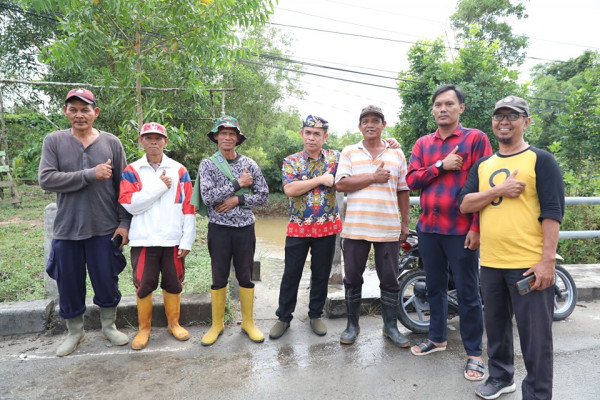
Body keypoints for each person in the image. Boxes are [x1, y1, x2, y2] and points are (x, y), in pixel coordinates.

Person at [459, 96, 564, 400]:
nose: (504, 122)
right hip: (491, 263)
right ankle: (501, 377)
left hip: (528, 265)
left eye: (512, 116)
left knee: (536, 338)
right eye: (499, 116)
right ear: (492, 122)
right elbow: (465, 203)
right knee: (496, 328)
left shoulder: (540, 160)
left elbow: (553, 212)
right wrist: (499, 190)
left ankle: (538, 394)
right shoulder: (483, 165)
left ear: (526, 122)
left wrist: (547, 262)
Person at [406, 84, 492, 381]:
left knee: (468, 292)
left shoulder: (476, 139)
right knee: (434, 287)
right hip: (428, 229)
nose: (443, 109)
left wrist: (477, 227)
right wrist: (440, 166)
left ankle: (474, 353)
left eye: (449, 104)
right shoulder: (423, 144)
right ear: (433, 110)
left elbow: (485, 187)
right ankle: (437, 338)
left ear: (461, 108)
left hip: (460, 231)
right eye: (438, 105)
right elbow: (412, 180)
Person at [39, 88, 131, 357]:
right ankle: (75, 332)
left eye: (85, 109)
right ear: (65, 112)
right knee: (68, 283)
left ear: (96, 112)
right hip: (67, 228)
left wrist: (124, 223)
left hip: (104, 228)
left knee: (107, 280)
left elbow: (124, 186)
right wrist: (90, 174)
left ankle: (109, 326)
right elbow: (46, 179)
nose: (79, 115)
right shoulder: (54, 141)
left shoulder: (111, 143)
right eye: (73, 109)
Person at [334, 105, 411, 347]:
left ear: (383, 125)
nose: (370, 124)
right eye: (365, 121)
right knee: (352, 277)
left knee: (389, 279)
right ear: (359, 126)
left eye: (375, 121)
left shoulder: (397, 154)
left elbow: (403, 189)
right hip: (356, 228)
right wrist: (373, 177)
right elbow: (341, 184)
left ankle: (390, 327)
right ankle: (352, 325)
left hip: (387, 228)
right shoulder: (349, 151)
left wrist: (405, 223)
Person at [118, 122, 196, 350]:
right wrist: (159, 187)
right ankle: (144, 328)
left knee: (174, 282)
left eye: (158, 138)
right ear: (141, 141)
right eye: (148, 138)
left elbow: (188, 208)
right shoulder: (132, 170)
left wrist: (187, 239)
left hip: (172, 239)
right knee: (144, 284)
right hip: (144, 239)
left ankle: (174, 324)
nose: (153, 142)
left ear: (165, 141)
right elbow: (129, 204)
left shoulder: (179, 170)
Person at [193, 116, 269, 346]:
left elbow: (263, 195)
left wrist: (238, 199)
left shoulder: (250, 165)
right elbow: (208, 197)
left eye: (232, 134)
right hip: (219, 229)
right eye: (223, 133)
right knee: (219, 276)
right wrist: (238, 183)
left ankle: (248, 323)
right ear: (216, 137)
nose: (227, 137)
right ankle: (217, 324)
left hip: (245, 229)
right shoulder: (208, 164)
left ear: (237, 138)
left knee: (246, 275)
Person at [268, 115, 342, 339]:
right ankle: (283, 318)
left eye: (317, 134)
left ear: (325, 137)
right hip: (298, 228)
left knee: (321, 274)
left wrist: (388, 143)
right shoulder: (291, 161)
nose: (311, 137)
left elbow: (360, 158)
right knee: (291, 274)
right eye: (308, 132)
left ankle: (315, 315)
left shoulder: (336, 158)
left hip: (327, 228)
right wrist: (321, 179)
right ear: (301, 134)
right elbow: (290, 189)